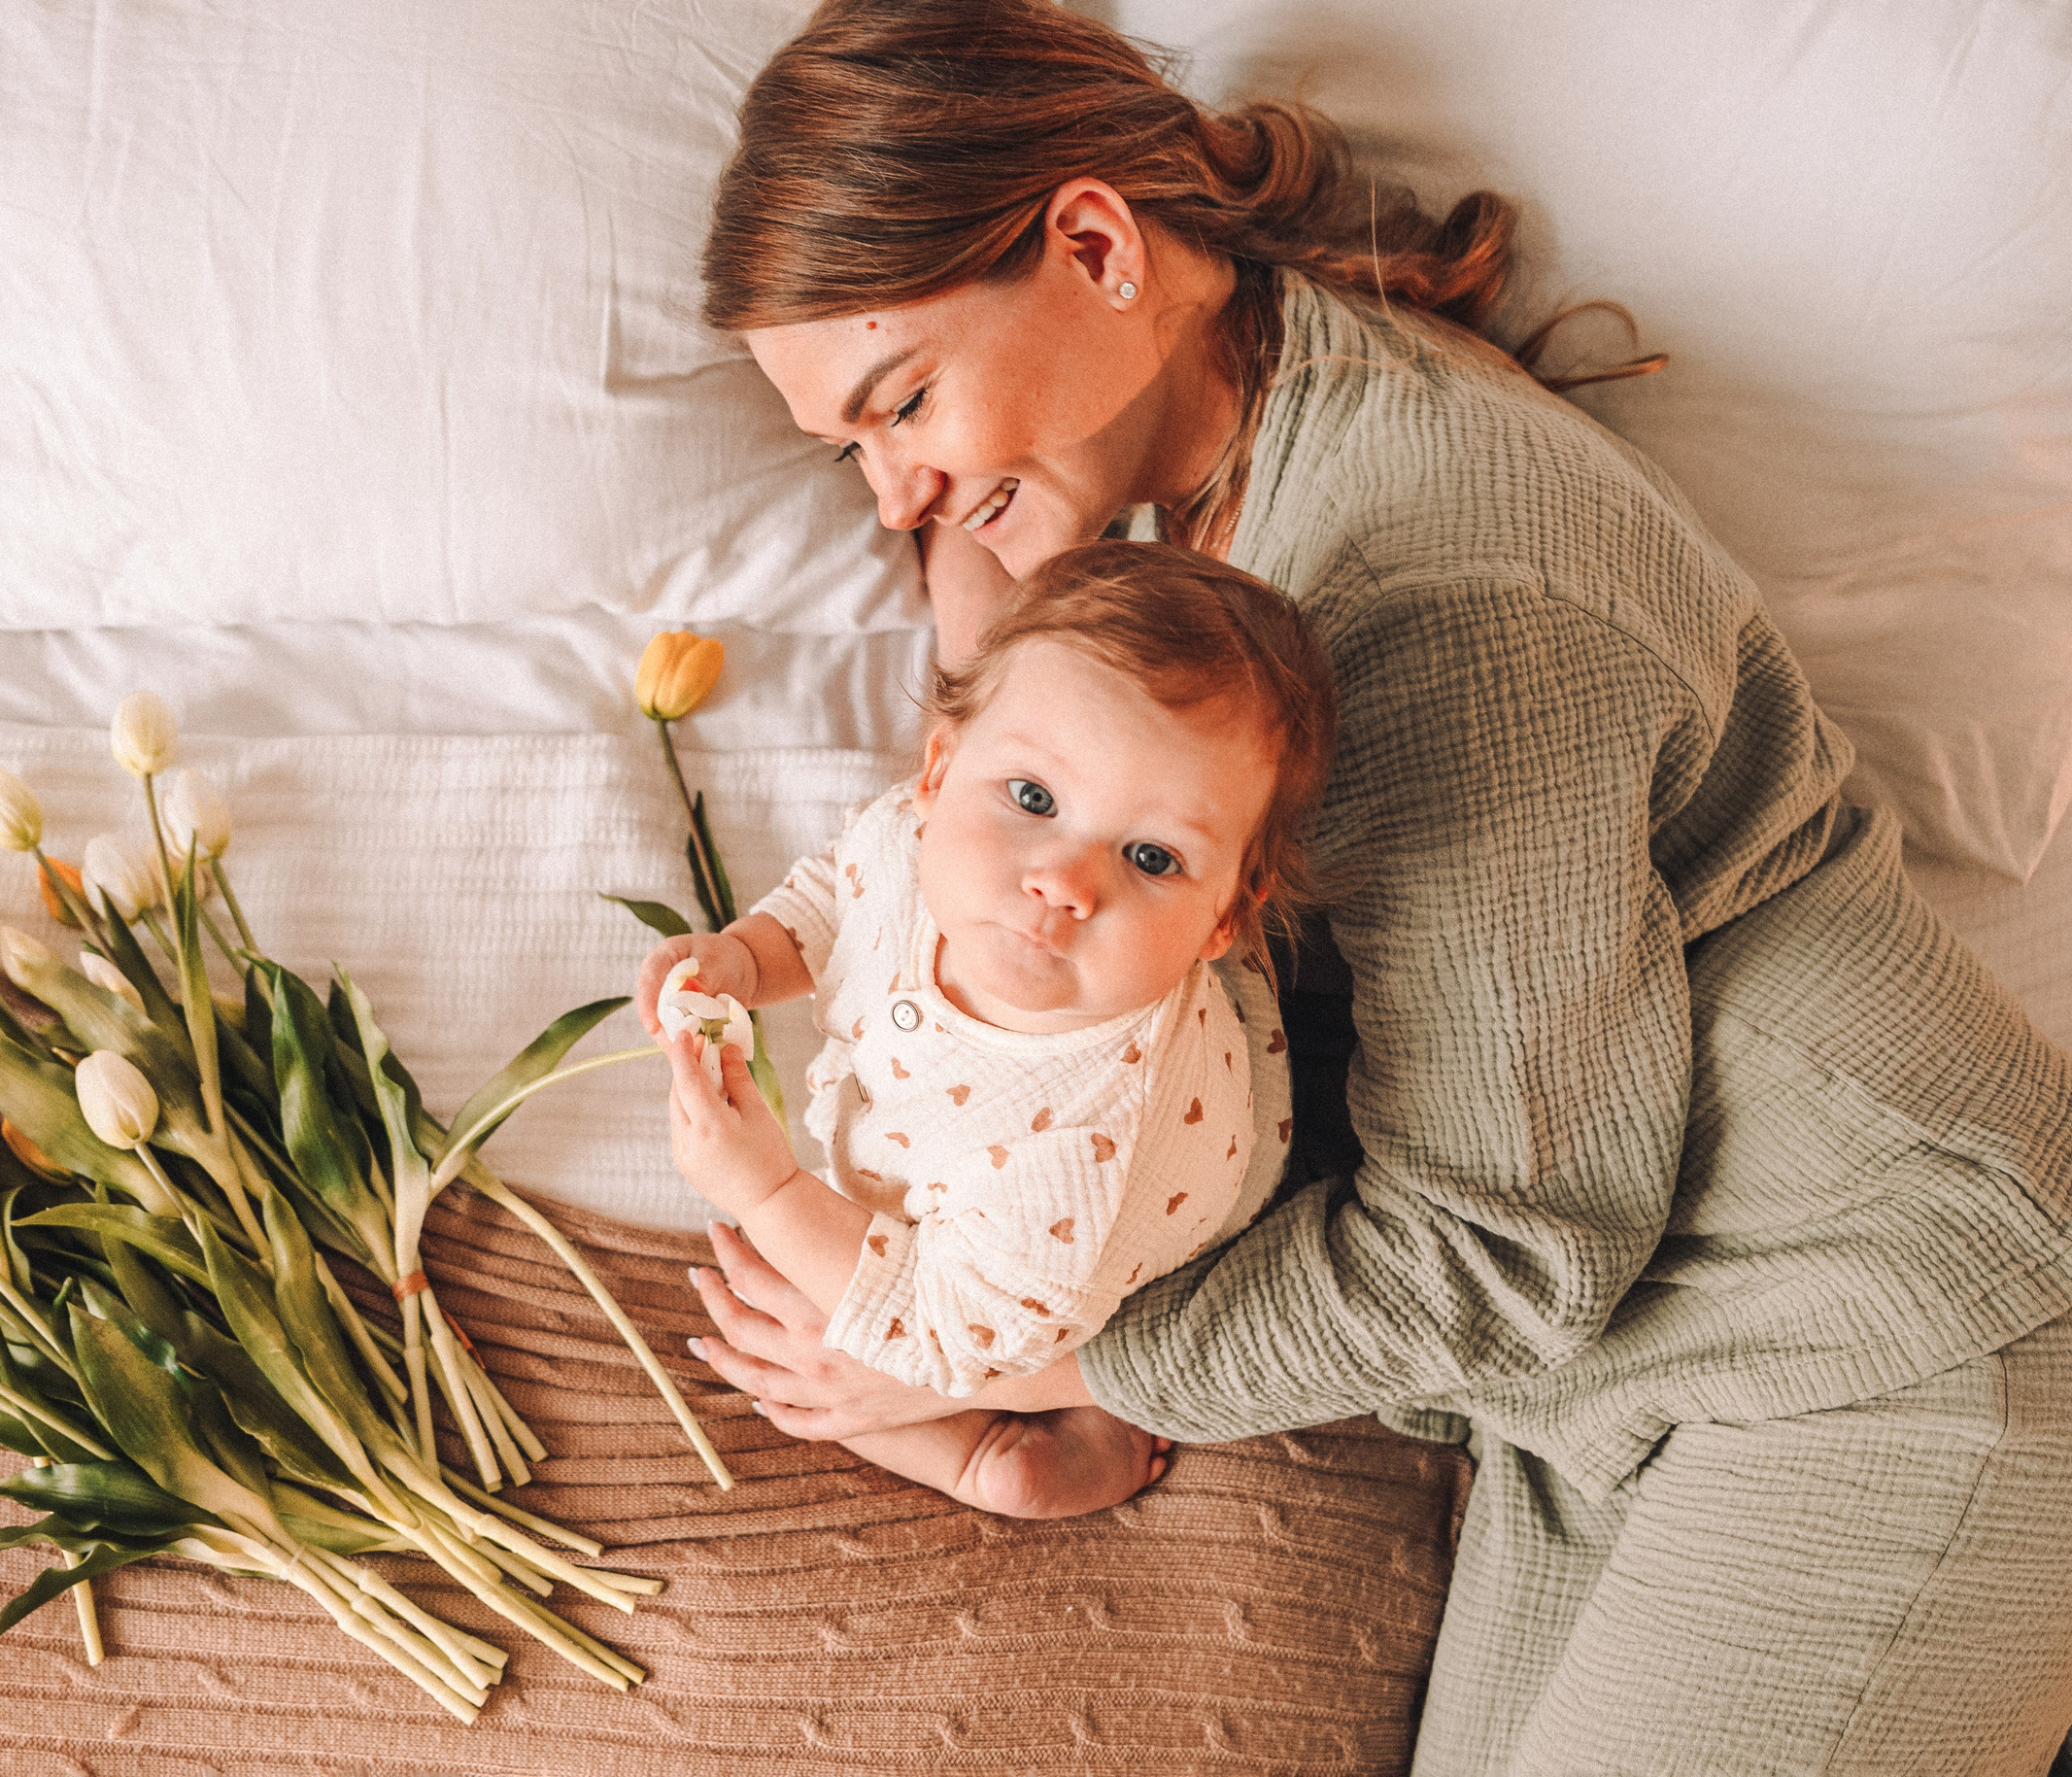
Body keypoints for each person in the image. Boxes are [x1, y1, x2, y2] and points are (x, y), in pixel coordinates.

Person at [676, 0, 2072, 1769]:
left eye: (907, 401)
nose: (899, 489)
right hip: (1621, 1382)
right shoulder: (1221, 471)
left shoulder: (1435, 587)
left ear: (1096, 243)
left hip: (1894, 1336)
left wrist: (1007, 1362)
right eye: (852, 451)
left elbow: (1506, 1242)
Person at [635, 542, 1333, 1518]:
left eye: (1149, 855)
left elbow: (946, 1333)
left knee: (840, 1370)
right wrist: (750, 958)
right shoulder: (919, 840)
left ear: (1225, 918)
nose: (1064, 879)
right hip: (1013, 1192)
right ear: (938, 770)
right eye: (1035, 798)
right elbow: (838, 894)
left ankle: (1004, 1458)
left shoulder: (1072, 1147)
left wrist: (768, 1188)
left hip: (1052, 1268)